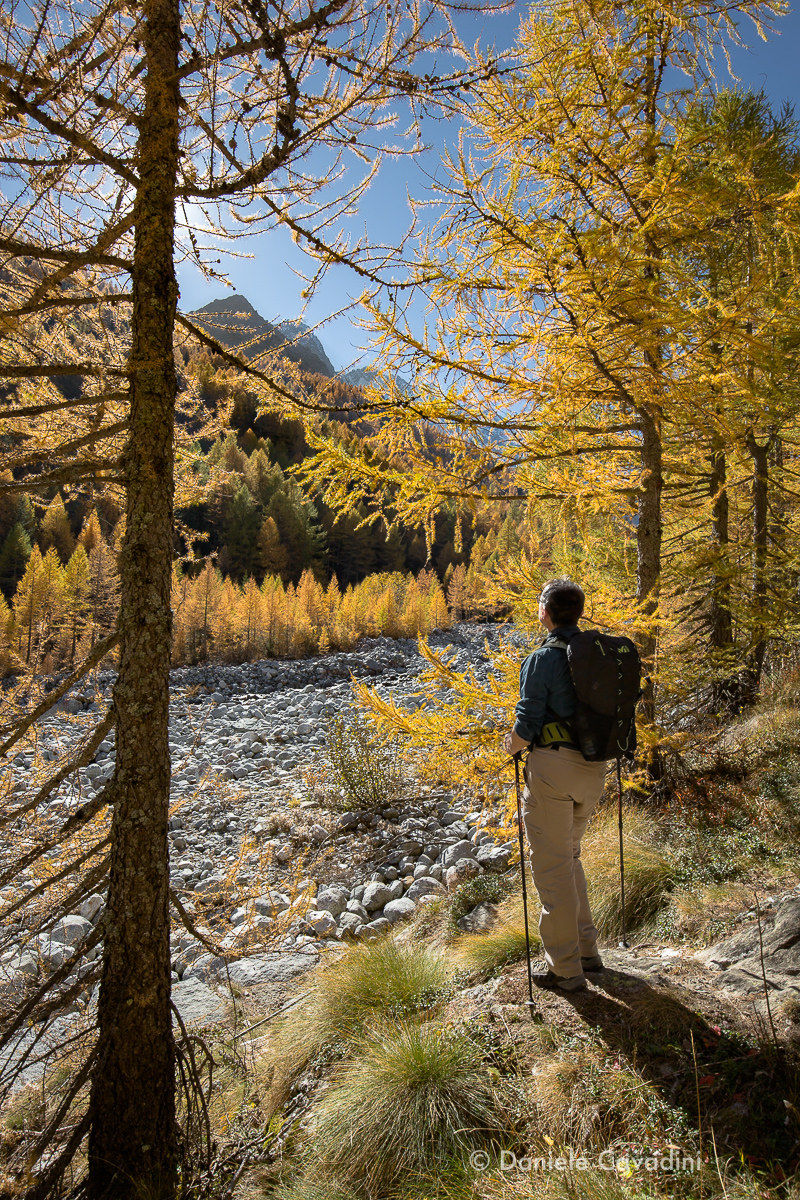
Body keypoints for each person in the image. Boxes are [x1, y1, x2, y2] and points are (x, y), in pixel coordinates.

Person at [503, 577, 607, 993]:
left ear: (544, 612)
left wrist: (510, 745)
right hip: (593, 770)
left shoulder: (541, 659)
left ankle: (566, 969)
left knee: (552, 869)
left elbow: (527, 723)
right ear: (578, 612)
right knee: (570, 857)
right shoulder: (596, 652)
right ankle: (587, 951)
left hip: (553, 770)